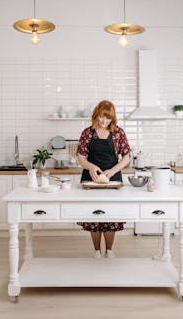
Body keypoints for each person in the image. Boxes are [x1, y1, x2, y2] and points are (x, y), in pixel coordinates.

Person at [77, 100, 130, 258]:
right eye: (101, 117)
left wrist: (112, 171)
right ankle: (96, 250)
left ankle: (109, 250)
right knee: (93, 215)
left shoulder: (118, 133)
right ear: (96, 116)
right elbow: (80, 157)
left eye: (108, 118)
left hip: (112, 178)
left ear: (112, 119)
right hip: (90, 179)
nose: (104, 121)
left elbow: (126, 157)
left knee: (111, 215)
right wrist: (91, 167)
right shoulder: (88, 133)